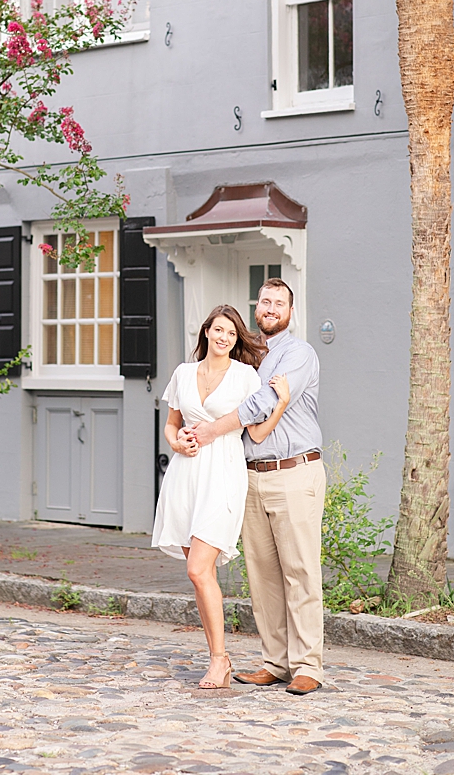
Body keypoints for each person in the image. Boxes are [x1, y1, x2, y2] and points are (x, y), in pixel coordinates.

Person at [184, 278, 326, 695]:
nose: (270, 308)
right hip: (248, 474)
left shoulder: (297, 353)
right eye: (265, 301)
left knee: (300, 571)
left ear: (290, 311)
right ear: (256, 307)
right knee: (262, 575)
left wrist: (210, 431)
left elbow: (260, 404)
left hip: (293, 472)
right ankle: (276, 662)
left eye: (279, 303)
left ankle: (308, 666)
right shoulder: (246, 359)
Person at [152, 304, 293, 690]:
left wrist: (280, 401)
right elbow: (171, 425)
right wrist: (177, 444)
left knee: (198, 568)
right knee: (201, 577)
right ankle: (220, 657)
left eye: (231, 333)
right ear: (207, 332)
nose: (224, 338)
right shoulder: (183, 373)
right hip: (185, 475)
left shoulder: (246, 376)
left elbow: (259, 433)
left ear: (236, 339)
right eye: (218, 330)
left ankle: (219, 660)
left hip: (224, 473)